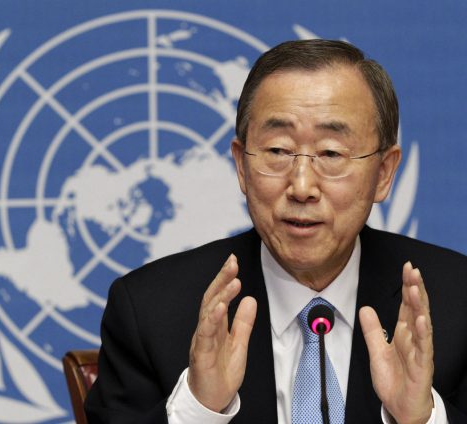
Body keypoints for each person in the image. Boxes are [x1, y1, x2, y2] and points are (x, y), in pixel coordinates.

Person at [84, 40, 467, 423]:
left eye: (331, 153)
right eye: (278, 151)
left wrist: (422, 419)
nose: (301, 187)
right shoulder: (151, 312)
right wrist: (199, 409)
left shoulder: (458, 305)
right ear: (241, 165)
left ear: (383, 173)